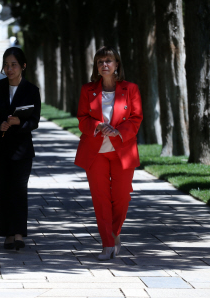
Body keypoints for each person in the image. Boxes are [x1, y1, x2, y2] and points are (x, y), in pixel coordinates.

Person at [74, 46, 143, 260]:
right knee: (101, 198)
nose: (104, 64)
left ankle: (115, 232)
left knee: (121, 197)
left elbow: (136, 118)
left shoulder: (130, 89)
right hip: (95, 152)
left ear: (116, 65)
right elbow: (82, 118)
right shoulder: (88, 90)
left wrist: (118, 131)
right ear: (96, 66)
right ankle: (107, 243)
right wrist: (97, 125)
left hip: (123, 149)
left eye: (109, 61)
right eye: (100, 61)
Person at [0, 47, 41, 251]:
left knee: (18, 190)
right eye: (6, 65)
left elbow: (34, 121)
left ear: (23, 66)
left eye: (13, 64)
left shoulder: (31, 90)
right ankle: (7, 233)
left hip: (21, 150)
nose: (9, 68)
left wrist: (18, 123)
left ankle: (18, 233)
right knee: (2, 191)